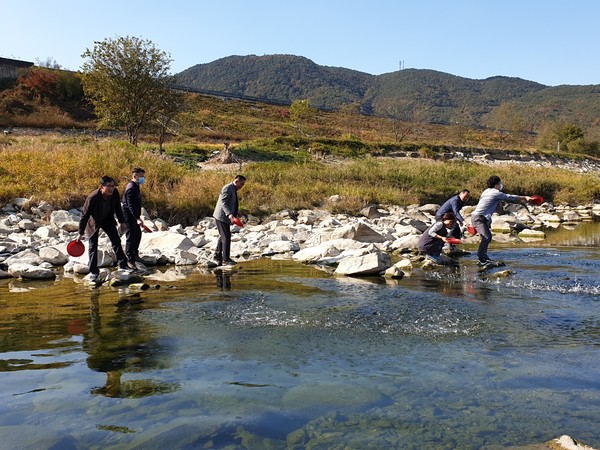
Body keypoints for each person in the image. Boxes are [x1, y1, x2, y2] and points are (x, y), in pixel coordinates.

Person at [471, 175, 532, 266]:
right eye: (500, 183)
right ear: (496, 185)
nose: (501, 185)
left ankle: (483, 257)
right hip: (479, 218)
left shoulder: (486, 191)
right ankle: (482, 258)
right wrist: (525, 197)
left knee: (486, 237)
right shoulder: (496, 193)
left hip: (479, 217)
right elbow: (511, 197)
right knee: (487, 237)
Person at [77, 176, 129, 282]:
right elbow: (85, 215)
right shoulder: (93, 197)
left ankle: (123, 265)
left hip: (107, 219)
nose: (111, 188)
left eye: (113, 186)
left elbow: (118, 208)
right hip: (93, 221)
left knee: (116, 241)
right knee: (93, 246)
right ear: (102, 186)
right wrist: (80, 232)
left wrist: (122, 222)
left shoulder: (114, 193)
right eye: (108, 186)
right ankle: (93, 272)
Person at [212, 175, 246, 266]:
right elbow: (223, 203)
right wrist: (230, 214)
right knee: (226, 237)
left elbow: (231, 202)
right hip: (221, 216)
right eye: (241, 184)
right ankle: (226, 259)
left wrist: (236, 211)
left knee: (223, 236)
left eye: (243, 185)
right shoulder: (227, 188)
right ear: (236, 181)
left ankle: (217, 256)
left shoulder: (233, 189)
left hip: (225, 217)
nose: (242, 186)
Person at [122, 167, 146, 270]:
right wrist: (137, 218)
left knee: (138, 234)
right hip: (129, 214)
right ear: (135, 176)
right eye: (141, 176)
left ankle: (135, 255)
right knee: (131, 237)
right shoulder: (131, 187)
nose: (143, 179)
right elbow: (130, 205)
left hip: (134, 214)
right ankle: (130, 260)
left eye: (143, 177)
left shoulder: (136, 185)